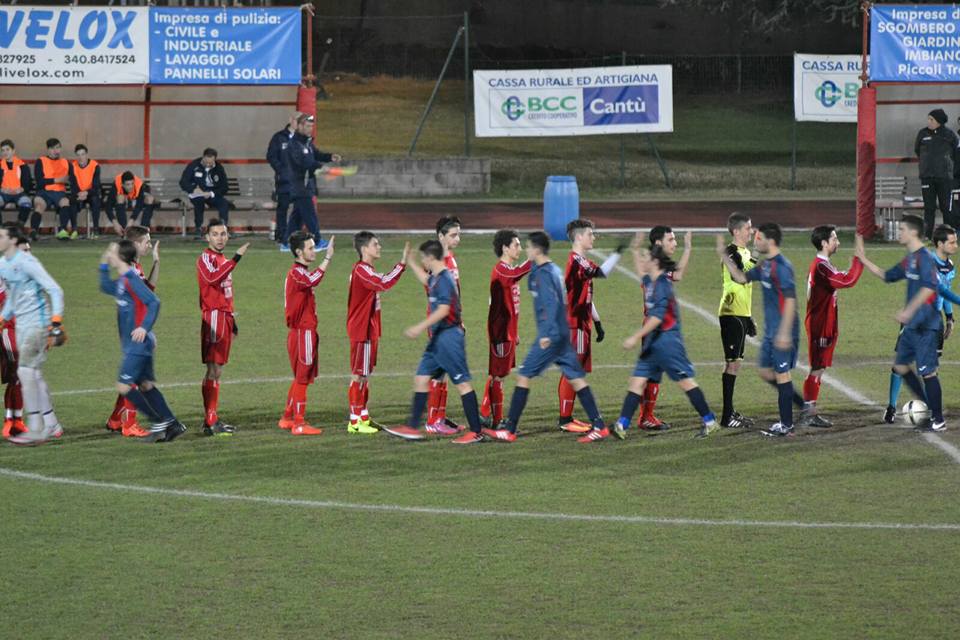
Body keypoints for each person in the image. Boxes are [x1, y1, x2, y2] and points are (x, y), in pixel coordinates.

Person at [483, 231, 609, 444]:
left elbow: (550, 304)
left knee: (523, 375)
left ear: (537, 249)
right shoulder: (555, 270)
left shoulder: (541, 274)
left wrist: (547, 335)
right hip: (563, 333)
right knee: (576, 379)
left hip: (550, 337)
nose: (526, 251)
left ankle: (509, 429)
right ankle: (599, 425)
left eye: (529, 247)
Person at [382, 240, 486, 444]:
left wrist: (419, 327)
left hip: (448, 338)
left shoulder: (446, 279)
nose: (423, 262)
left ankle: (476, 431)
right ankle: (412, 427)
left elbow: (444, 310)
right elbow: (425, 280)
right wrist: (410, 261)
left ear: (431, 258)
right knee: (421, 378)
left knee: (462, 384)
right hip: (438, 340)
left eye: (423, 258)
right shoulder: (437, 278)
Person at [613, 245, 720, 439]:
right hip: (653, 344)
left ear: (655, 262)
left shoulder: (662, 284)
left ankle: (710, 421)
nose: (643, 260)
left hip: (668, 342)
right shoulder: (650, 281)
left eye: (646, 257)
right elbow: (641, 272)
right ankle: (621, 425)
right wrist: (636, 252)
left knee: (685, 382)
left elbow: (657, 318)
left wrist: (635, 337)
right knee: (636, 382)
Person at [858, 215, 946, 431]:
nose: (899, 233)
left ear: (913, 233)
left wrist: (908, 311)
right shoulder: (911, 259)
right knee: (900, 366)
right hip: (912, 326)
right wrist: (863, 259)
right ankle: (930, 407)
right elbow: (887, 275)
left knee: (928, 372)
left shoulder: (925, 258)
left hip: (926, 324)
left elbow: (928, 288)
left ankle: (938, 419)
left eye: (902, 229)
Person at [716, 223, 802, 437]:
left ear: (769, 241)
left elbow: (791, 300)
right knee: (765, 372)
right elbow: (741, 277)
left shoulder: (782, 267)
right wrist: (724, 255)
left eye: (758, 238)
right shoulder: (765, 266)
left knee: (782, 374)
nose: (755, 241)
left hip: (784, 330)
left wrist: (784, 333)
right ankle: (803, 405)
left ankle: (787, 425)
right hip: (771, 331)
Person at [99, 240, 186, 444]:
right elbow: (104, 285)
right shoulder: (122, 281)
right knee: (146, 385)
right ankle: (172, 423)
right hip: (135, 344)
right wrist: (103, 263)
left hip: (138, 344)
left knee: (124, 386)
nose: (108, 254)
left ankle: (158, 422)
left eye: (111, 252)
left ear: (120, 256)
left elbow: (153, 301)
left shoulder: (131, 279)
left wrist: (144, 327)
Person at [881, 223, 960, 423]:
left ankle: (930, 411)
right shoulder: (925, 260)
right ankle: (891, 406)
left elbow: (943, 292)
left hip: (934, 320)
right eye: (952, 242)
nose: (956, 246)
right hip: (915, 317)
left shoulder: (951, 267)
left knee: (930, 369)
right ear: (939, 244)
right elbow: (936, 289)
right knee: (901, 365)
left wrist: (949, 317)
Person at [1, 223, 66, 446]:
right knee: (33, 375)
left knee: (26, 373)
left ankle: (36, 426)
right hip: (19, 328)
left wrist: (55, 324)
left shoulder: (29, 266)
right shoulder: (6, 266)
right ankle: (50, 423)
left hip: (36, 327)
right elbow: (11, 299)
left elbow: (55, 291)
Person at [559, 218, 621, 433]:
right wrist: (618, 252)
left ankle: (567, 417)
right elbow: (602, 272)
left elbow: (585, 295)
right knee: (572, 371)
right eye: (590, 234)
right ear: (578, 237)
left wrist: (598, 322)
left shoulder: (580, 262)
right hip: (575, 324)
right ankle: (565, 420)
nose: (593, 237)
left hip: (581, 323)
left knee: (576, 371)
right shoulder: (577, 261)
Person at [346, 231, 409, 433]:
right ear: (364, 249)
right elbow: (383, 283)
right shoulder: (362, 270)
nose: (379, 247)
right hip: (361, 329)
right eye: (375, 244)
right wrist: (401, 264)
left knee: (365, 374)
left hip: (369, 328)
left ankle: (363, 416)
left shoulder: (366, 270)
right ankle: (354, 421)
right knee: (359, 374)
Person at [801, 226, 864, 426]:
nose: (838, 242)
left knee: (819, 367)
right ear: (824, 243)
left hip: (825, 321)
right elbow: (847, 281)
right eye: (834, 239)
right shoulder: (820, 266)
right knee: (817, 367)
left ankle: (809, 409)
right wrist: (858, 260)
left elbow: (838, 279)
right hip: (820, 324)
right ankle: (809, 412)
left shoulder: (824, 265)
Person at [633, 225, 692, 431]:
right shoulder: (653, 263)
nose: (674, 243)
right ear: (658, 242)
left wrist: (687, 250)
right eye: (671, 240)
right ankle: (644, 417)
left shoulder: (658, 262)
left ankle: (645, 415)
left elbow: (676, 276)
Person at [279, 231, 335, 436]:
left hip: (300, 331)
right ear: (298, 251)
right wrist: (328, 258)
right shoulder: (297, 273)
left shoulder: (297, 272)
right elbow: (313, 280)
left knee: (300, 377)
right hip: (303, 332)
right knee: (302, 377)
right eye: (310, 248)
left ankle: (287, 417)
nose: (314, 251)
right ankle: (299, 423)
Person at [104, 225, 157, 438]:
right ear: (135, 244)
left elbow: (148, 291)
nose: (149, 244)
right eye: (147, 241)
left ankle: (116, 419)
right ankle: (129, 424)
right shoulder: (130, 270)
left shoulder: (134, 267)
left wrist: (157, 262)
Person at [197, 219, 249, 437]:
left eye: (223, 234)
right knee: (214, 369)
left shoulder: (221, 259)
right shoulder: (206, 259)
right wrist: (237, 257)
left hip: (225, 317)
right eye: (215, 234)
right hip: (214, 318)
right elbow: (212, 278)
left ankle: (212, 418)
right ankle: (210, 421)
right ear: (207, 237)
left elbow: (226, 292)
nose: (220, 238)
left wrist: (233, 320)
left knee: (217, 370)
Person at [479, 229, 532, 428]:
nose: (519, 248)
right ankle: (497, 420)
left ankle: (486, 413)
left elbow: (510, 305)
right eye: (516, 245)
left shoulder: (506, 270)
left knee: (497, 374)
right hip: (501, 333)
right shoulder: (502, 270)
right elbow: (516, 274)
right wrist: (533, 259)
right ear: (505, 248)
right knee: (499, 376)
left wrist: (515, 331)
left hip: (507, 331)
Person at [425, 215, 465, 435]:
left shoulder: (451, 259)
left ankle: (439, 416)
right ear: (441, 236)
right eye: (453, 235)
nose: (457, 238)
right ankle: (432, 421)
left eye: (458, 234)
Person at [717, 212, 757, 429]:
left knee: (735, 364)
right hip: (731, 312)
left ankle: (730, 412)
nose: (751, 231)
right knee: (732, 364)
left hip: (741, 313)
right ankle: (726, 416)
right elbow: (738, 276)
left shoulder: (744, 251)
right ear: (737, 231)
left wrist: (749, 316)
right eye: (748, 228)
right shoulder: (730, 252)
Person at [283, 114, 341, 249]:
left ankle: (287, 243)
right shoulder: (294, 144)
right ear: (300, 126)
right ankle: (317, 241)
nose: (310, 129)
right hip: (300, 186)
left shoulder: (306, 143)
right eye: (307, 126)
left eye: (311, 126)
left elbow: (317, 155)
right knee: (310, 215)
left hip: (304, 186)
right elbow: (305, 162)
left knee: (297, 216)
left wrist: (330, 157)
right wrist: (321, 167)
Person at [0, 234, 31, 439]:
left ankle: (14, 421)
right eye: (25, 250)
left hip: (19, 329)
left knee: (18, 375)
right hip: (5, 329)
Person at [916, 108, 959, 237]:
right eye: (928, 119)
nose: (929, 122)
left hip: (945, 178)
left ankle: (947, 237)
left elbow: (956, 155)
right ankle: (927, 236)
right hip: (927, 177)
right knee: (929, 208)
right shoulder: (922, 133)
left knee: (946, 208)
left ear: (939, 121)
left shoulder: (950, 135)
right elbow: (917, 150)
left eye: (931, 119)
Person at [267, 112, 300, 251]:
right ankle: (282, 236)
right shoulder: (279, 137)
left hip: (299, 181)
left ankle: (295, 235)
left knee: (301, 208)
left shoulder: (304, 138)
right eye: (299, 121)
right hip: (284, 181)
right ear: (291, 120)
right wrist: (282, 170)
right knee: (283, 208)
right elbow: (271, 156)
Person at [180, 148, 230, 239]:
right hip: (197, 194)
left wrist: (211, 193)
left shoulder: (219, 168)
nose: (207, 164)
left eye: (210, 163)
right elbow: (183, 182)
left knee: (224, 203)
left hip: (212, 194)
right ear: (203, 157)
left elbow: (225, 187)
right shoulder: (193, 165)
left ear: (214, 159)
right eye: (206, 162)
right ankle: (198, 228)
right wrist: (193, 189)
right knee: (199, 202)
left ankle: (223, 229)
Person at [33, 138, 75, 240]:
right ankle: (33, 232)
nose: (56, 151)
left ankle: (63, 231)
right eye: (52, 148)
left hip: (59, 193)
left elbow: (73, 180)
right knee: (39, 205)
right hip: (44, 192)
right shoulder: (41, 161)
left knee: (65, 202)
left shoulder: (66, 163)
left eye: (58, 148)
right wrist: (58, 180)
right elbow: (40, 182)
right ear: (48, 150)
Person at [69, 144, 105, 237]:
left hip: (91, 193)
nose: (81, 157)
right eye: (78, 155)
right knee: (72, 200)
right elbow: (73, 185)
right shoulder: (72, 166)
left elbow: (96, 186)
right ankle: (74, 229)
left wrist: (86, 193)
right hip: (79, 193)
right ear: (76, 156)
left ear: (87, 154)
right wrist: (80, 194)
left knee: (95, 200)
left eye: (83, 154)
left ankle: (96, 229)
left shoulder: (95, 166)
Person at [0, 139, 32, 226]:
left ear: (13, 151)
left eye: (7, 149)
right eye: (2, 150)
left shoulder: (23, 166)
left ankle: (19, 227)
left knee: (26, 203)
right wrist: (2, 189)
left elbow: (28, 184)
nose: (5, 152)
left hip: (19, 194)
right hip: (3, 194)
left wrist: (22, 189)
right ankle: (1, 230)